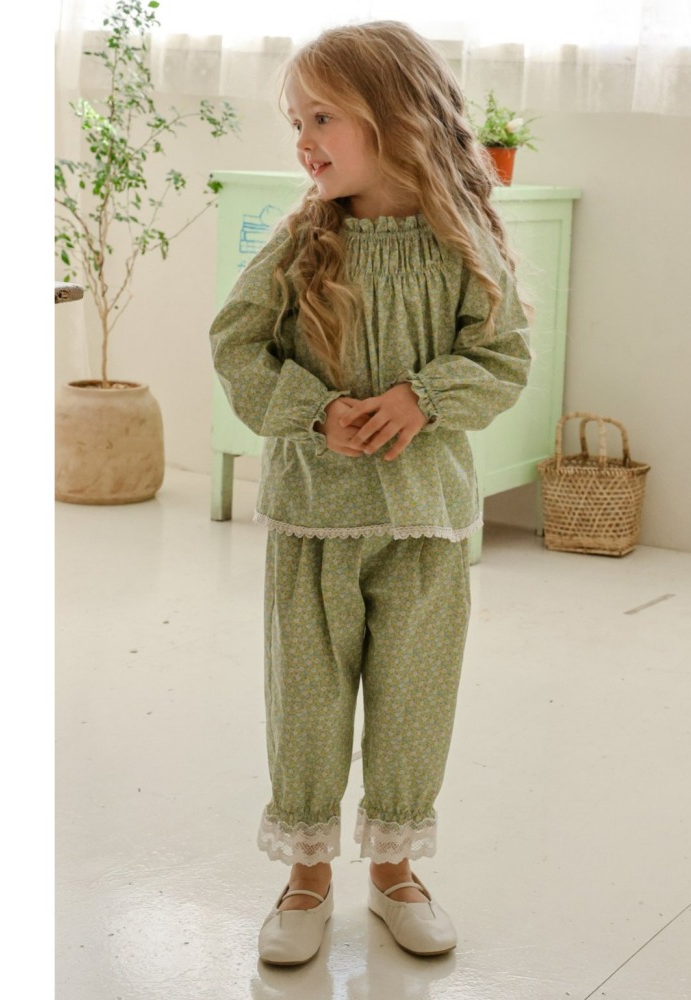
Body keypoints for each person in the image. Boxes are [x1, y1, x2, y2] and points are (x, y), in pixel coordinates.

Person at [209, 20, 532, 965]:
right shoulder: (301, 242)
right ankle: (306, 876)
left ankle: (396, 871)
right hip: (315, 519)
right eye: (295, 121)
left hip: (425, 524)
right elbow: (236, 343)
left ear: (393, 117)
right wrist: (314, 412)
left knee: (413, 703)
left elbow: (504, 358)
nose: (302, 140)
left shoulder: (461, 241)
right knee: (307, 700)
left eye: (321, 117)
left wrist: (424, 398)